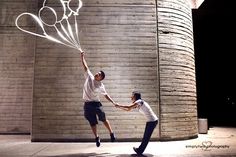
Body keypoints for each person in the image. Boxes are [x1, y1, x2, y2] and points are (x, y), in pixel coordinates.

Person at [80, 51, 116, 147]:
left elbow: (106, 95)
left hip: (96, 104)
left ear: (101, 78)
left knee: (103, 119)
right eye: (98, 72)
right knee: (92, 122)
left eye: (99, 74)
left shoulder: (100, 85)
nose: (97, 74)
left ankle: (111, 133)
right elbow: (85, 66)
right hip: (87, 105)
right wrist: (82, 57)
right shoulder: (89, 76)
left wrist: (113, 102)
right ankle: (97, 138)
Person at [115, 91, 158, 155]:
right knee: (145, 137)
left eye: (132, 96)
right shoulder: (138, 103)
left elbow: (129, 107)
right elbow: (128, 109)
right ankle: (139, 150)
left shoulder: (139, 101)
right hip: (151, 121)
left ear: (135, 96)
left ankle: (140, 150)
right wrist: (119, 107)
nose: (131, 97)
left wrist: (119, 105)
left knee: (146, 137)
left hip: (152, 121)